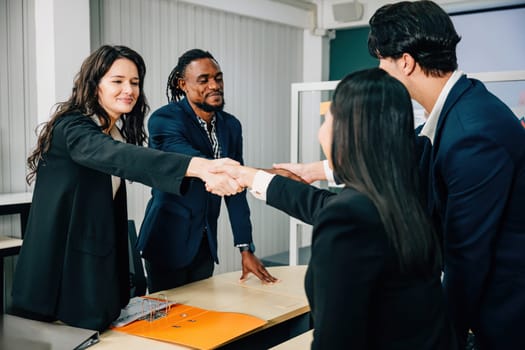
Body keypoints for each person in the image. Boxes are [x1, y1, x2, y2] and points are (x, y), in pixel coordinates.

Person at [276, 1, 525, 349]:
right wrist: (313, 171)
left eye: (382, 60)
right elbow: (400, 158)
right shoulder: (455, 114)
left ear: (405, 61)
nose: (379, 70)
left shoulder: (472, 132)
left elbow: (466, 258)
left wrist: (446, 339)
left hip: (502, 322)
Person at [217, 68, 456, 349]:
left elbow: (336, 339)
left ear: (347, 130)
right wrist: (253, 177)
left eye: (327, 118)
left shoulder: (349, 217)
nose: (321, 130)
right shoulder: (404, 200)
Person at [11, 45, 242, 332]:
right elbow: (116, 158)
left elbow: (137, 165)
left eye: (134, 82)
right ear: (94, 84)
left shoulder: (114, 133)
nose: (129, 90)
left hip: (94, 267)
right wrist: (198, 167)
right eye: (117, 81)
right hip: (59, 272)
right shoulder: (72, 128)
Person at [136, 49, 277, 293]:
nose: (214, 85)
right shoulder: (164, 120)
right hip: (166, 240)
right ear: (183, 84)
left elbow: (236, 192)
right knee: (168, 323)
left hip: (205, 243)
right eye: (204, 80)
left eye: (218, 78)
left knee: (202, 319)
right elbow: (196, 162)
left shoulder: (230, 125)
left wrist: (246, 248)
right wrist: (266, 175)